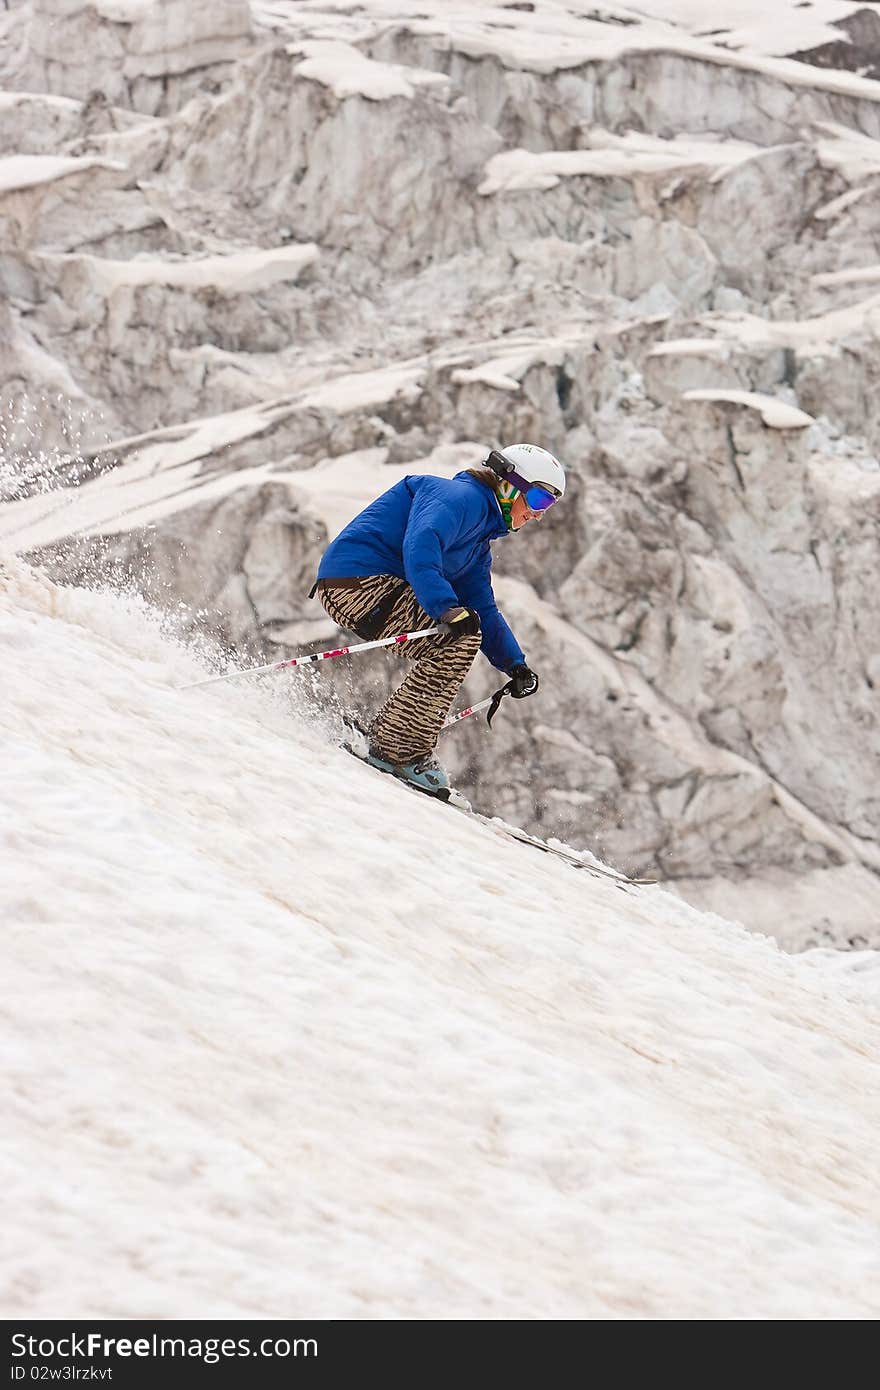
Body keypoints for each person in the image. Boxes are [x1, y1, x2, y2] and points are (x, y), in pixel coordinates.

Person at [311, 443, 566, 794]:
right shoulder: (459, 498)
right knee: (460, 638)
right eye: (538, 500)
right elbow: (421, 545)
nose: (538, 514)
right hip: (360, 583)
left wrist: (515, 664)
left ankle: (394, 742)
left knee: (467, 630)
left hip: (365, 588)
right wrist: (445, 606)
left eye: (548, 506)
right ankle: (397, 749)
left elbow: (483, 606)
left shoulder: (478, 541)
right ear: (509, 485)